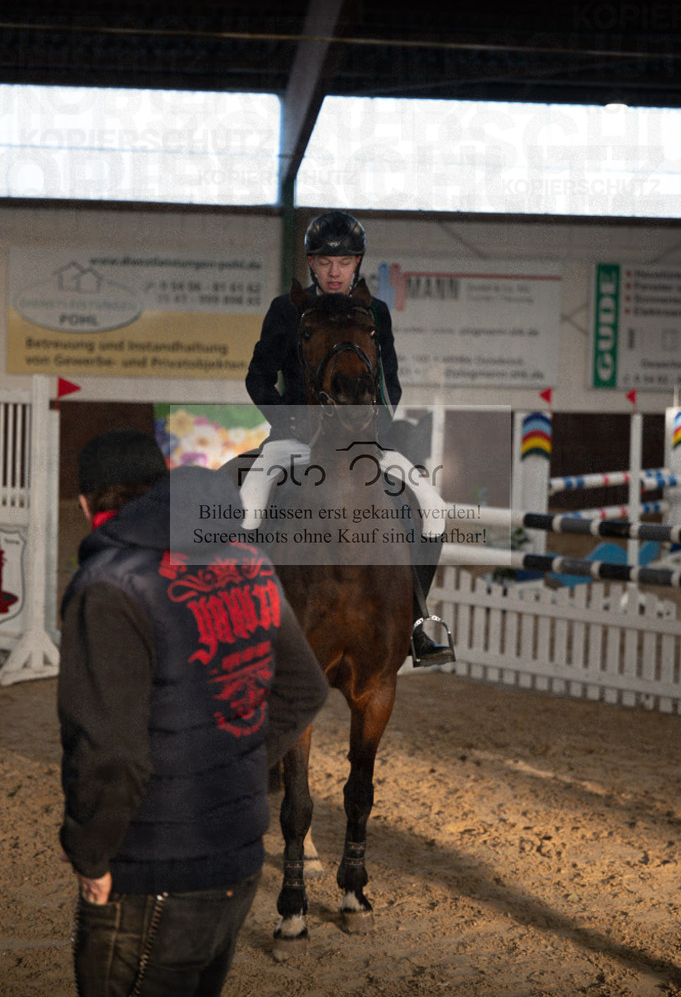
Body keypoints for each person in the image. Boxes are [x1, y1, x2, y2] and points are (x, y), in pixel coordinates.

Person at [58, 428, 329, 997]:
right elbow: (305, 690)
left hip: (150, 871)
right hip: (239, 857)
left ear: (87, 503)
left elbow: (111, 754)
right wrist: (234, 776)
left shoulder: (108, 583)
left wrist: (92, 854)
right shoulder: (249, 559)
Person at [245, 210, 454, 666]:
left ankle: (417, 621)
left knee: (433, 508)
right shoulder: (287, 310)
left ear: (358, 262)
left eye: (344, 262)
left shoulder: (374, 312)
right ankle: (247, 616)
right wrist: (293, 421)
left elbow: (389, 381)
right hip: (295, 439)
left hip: (365, 443)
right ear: (311, 264)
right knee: (250, 502)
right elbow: (258, 378)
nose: (334, 271)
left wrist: (373, 426)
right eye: (324, 262)